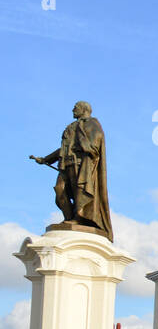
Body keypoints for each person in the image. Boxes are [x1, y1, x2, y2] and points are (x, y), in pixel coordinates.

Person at [30, 101, 114, 241]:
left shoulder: (92, 124)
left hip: (80, 165)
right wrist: (46, 159)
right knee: (59, 189)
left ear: (84, 109)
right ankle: (69, 218)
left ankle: (77, 218)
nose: (73, 110)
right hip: (66, 163)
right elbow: (63, 149)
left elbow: (94, 144)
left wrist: (81, 141)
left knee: (79, 192)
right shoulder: (72, 126)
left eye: (75, 108)